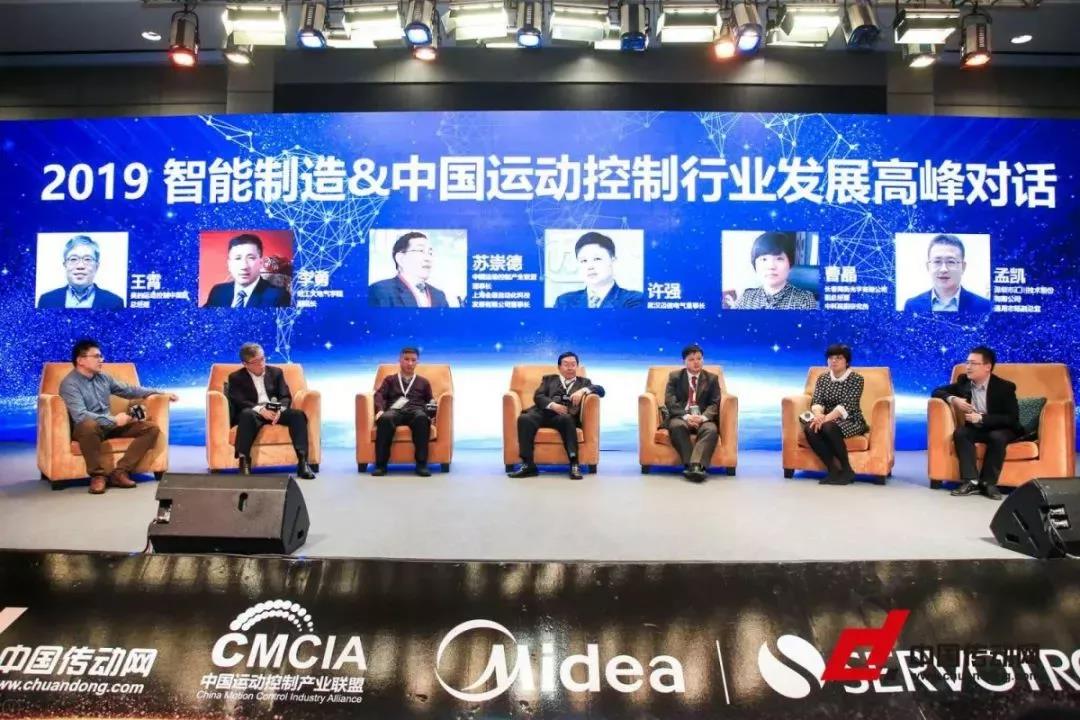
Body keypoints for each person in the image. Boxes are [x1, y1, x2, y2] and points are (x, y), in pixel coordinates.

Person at [58, 338, 177, 494]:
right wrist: (114, 420)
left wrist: (160, 392)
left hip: (109, 425)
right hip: (87, 430)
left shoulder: (104, 378)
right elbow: (80, 415)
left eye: (101, 356)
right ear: (80, 360)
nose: (101, 360)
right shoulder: (70, 384)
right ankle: (98, 476)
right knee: (88, 425)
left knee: (151, 429)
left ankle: (120, 472)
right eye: (96, 356)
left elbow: (129, 390)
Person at [932, 345, 1020, 500]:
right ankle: (971, 481)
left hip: (1002, 428)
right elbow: (936, 391)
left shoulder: (1004, 387)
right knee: (961, 432)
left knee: (997, 437)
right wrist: (953, 399)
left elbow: (1012, 418)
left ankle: (988, 483)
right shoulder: (964, 382)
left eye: (973, 363)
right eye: (967, 363)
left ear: (987, 367)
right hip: (977, 429)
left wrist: (982, 418)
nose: (968, 367)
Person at [508, 352, 605, 480]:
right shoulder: (549, 379)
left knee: (567, 419)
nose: (570, 368)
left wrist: (583, 390)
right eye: (566, 364)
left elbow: (601, 390)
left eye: (573, 364)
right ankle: (528, 465)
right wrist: (553, 405)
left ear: (577, 366)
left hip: (563, 417)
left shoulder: (584, 382)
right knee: (524, 419)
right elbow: (538, 396)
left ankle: (574, 464)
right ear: (559, 367)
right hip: (543, 413)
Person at [226, 342, 315, 479]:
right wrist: (261, 410)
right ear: (245, 364)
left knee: (298, 415)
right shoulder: (235, 377)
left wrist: (280, 410)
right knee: (246, 414)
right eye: (255, 362)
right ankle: (244, 462)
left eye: (262, 358)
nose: (261, 364)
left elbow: (285, 396)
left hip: (275, 410)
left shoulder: (276, 372)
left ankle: (303, 463)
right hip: (253, 411)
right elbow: (239, 401)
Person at [802, 343, 869, 485]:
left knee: (828, 427)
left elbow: (846, 405)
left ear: (847, 361)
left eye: (839, 358)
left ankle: (847, 470)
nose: (834, 361)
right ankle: (832, 470)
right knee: (809, 428)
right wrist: (818, 415)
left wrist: (824, 419)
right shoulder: (823, 378)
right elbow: (817, 400)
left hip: (851, 419)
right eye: (831, 358)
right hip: (826, 418)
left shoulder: (856, 379)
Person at [372, 347, 435, 477]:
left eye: (413, 360)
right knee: (385, 418)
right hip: (395, 410)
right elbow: (379, 395)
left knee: (422, 418)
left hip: (416, 410)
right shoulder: (390, 380)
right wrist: (380, 410)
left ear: (417, 362)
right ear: (400, 360)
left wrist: (431, 412)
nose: (410, 363)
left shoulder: (424, 382)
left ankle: (421, 465)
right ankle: (381, 465)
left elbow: (430, 400)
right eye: (406, 359)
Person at [663, 344, 722, 482]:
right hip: (681, 416)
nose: (696, 362)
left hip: (703, 418)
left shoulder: (712, 379)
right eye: (691, 359)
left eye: (699, 359)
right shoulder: (675, 377)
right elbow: (670, 401)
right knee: (677, 426)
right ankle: (692, 466)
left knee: (711, 429)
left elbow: (715, 403)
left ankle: (695, 466)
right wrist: (686, 416)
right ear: (684, 361)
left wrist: (703, 417)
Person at [902, 234, 992, 316]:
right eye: (937, 261)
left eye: (951, 262)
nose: (943, 269)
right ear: (928, 267)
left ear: (963, 267)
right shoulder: (912, 305)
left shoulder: (984, 306)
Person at [553, 232, 644, 309]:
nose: (590, 266)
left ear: (613, 261)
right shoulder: (564, 302)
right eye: (584, 261)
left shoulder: (634, 300)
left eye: (597, 259)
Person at [733, 232, 817, 310]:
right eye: (764, 259)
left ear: (790, 264)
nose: (771, 266)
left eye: (779, 259)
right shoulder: (746, 297)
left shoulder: (805, 300)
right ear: (755, 265)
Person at [203, 233, 291, 308]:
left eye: (251, 258)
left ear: (260, 263)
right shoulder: (218, 291)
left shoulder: (277, 297)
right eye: (237, 258)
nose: (244, 266)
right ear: (229, 264)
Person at [38, 235, 125, 309]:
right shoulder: (47, 301)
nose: (80, 266)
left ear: (96, 266)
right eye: (73, 259)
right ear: (65, 265)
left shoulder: (114, 303)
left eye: (87, 259)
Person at [369, 232, 450, 307]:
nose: (428, 258)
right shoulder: (381, 291)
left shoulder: (439, 296)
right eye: (420, 251)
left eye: (430, 253)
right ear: (400, 258)